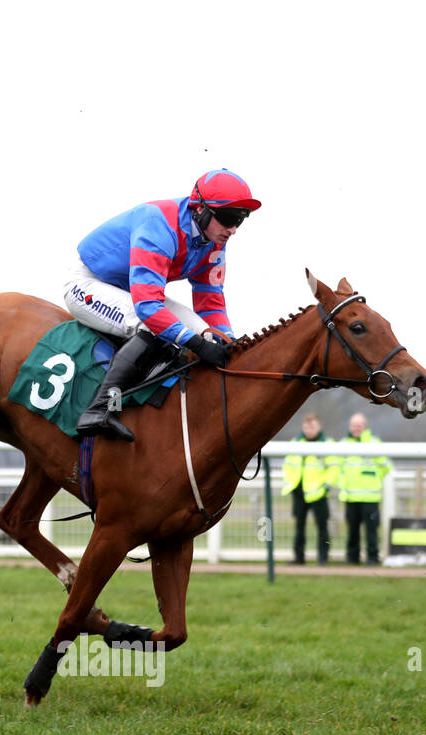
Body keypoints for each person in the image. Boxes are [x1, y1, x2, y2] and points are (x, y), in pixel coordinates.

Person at [67, 169, 261, 441]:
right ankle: (100, 409)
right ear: (200, 209)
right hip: (88, 283)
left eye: (241, 219)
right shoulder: (159, 224)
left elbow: (210, 300)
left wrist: (228, 340)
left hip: (130, 289)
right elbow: (147, 305)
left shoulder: (214, 240)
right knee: (156, 326)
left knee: (210, 336)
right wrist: (194, 344)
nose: (233, 229)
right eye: (228, 218)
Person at [282, 413, 339, 565]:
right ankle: (299, 558)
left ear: (319, 427)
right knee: (299, 526)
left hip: (318, 492)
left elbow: (334, 467)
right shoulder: (295, 442)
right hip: (298, 490)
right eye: (306, 427)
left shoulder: (327, 443)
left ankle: (323, 558)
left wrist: (326, 486)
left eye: (312, 426)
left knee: (322, 526)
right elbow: (288, 465)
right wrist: (290, 483)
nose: (309, 430)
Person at [339, 412, 391, 565]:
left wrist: (373, 478)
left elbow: (386, 467)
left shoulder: (375, 443)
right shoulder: (343, 444)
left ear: (365, 427)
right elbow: (336, 467)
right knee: (352, 531)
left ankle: (373, 558)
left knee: (371, 531)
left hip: (370, 497)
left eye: (359, 425)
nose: (356, 428)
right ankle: (352, 559)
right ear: (350, 427)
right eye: (354, 425)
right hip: (350, 496)